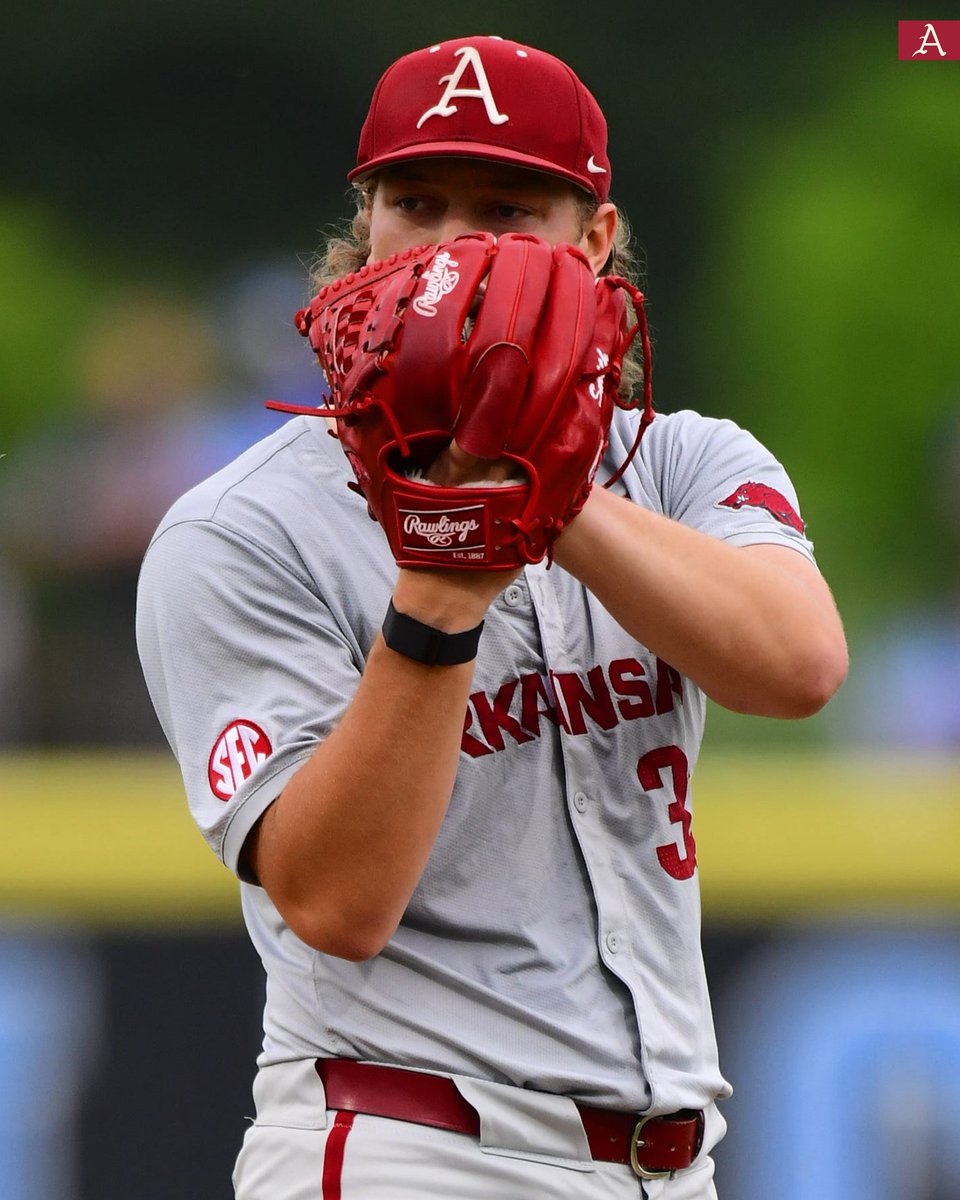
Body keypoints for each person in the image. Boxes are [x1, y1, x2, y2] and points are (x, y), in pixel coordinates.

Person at [136, 35, 848, 1200]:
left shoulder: (677, 463)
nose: (458, 244)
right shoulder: (243, 527)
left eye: (509, 208)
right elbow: (333, 903)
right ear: (365, 222)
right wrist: (438, 587)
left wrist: (541, 494)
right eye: (418, 202)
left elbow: (798, 664)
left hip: (672, 1161)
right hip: (408, 1146)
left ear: (596, 237)